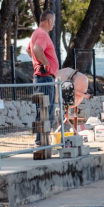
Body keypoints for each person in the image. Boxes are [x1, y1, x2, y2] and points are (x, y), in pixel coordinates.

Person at [29, 12, 59, 145]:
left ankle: (41, 141)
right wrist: (46, 64)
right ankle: (43, 142)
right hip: (45, 79)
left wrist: (37, 63)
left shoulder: (36, 33)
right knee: (47, 111)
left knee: (42, 110)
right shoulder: (42, 34)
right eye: (53, 21)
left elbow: (29, 50)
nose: (53, 24)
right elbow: (36, 49)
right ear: (49, 21)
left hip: (41, 78)